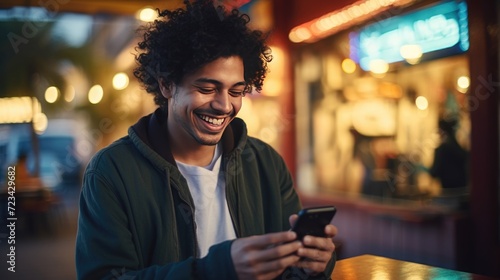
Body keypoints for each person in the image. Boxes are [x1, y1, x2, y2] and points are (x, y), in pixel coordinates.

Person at [75, 0, 338, 279]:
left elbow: (291, 269)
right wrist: (218, 269)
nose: (224, 105)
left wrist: (315, 262)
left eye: (236, 91)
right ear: (166, 85)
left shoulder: (266, 163)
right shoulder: (111, 171)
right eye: (207, 88)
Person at [429, 118, 469, 189]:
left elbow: (434, 172)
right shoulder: (459, 148)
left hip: (448, 192)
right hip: (462, 191)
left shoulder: (442, 150)